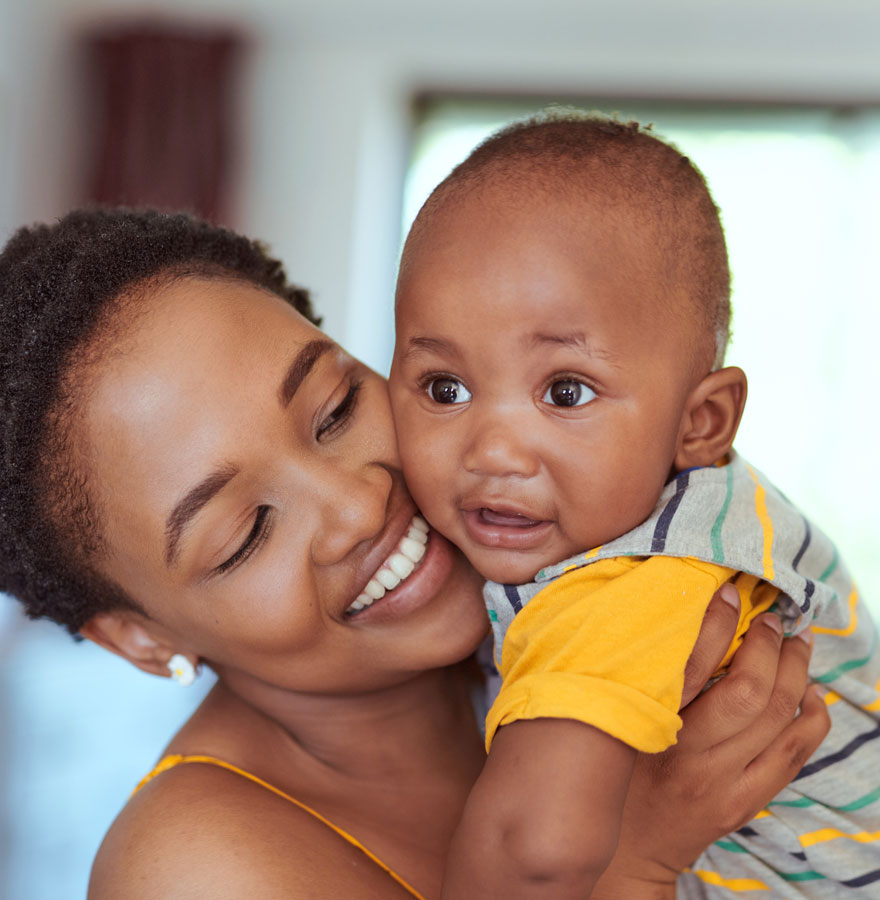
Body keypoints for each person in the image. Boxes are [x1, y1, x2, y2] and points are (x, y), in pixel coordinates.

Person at [0, 209, 828, 900]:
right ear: (141, 638)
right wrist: (632, 854)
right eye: (247, 533)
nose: (358, 505)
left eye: (336, 410)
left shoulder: (570, 595)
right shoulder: (195, 869)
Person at [389, 113, 878, 898]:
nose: (492, 452)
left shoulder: (633, 579)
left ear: (700, 423)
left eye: (566, 391)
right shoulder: (686, 510)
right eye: (445, 389)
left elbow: (534, 851)